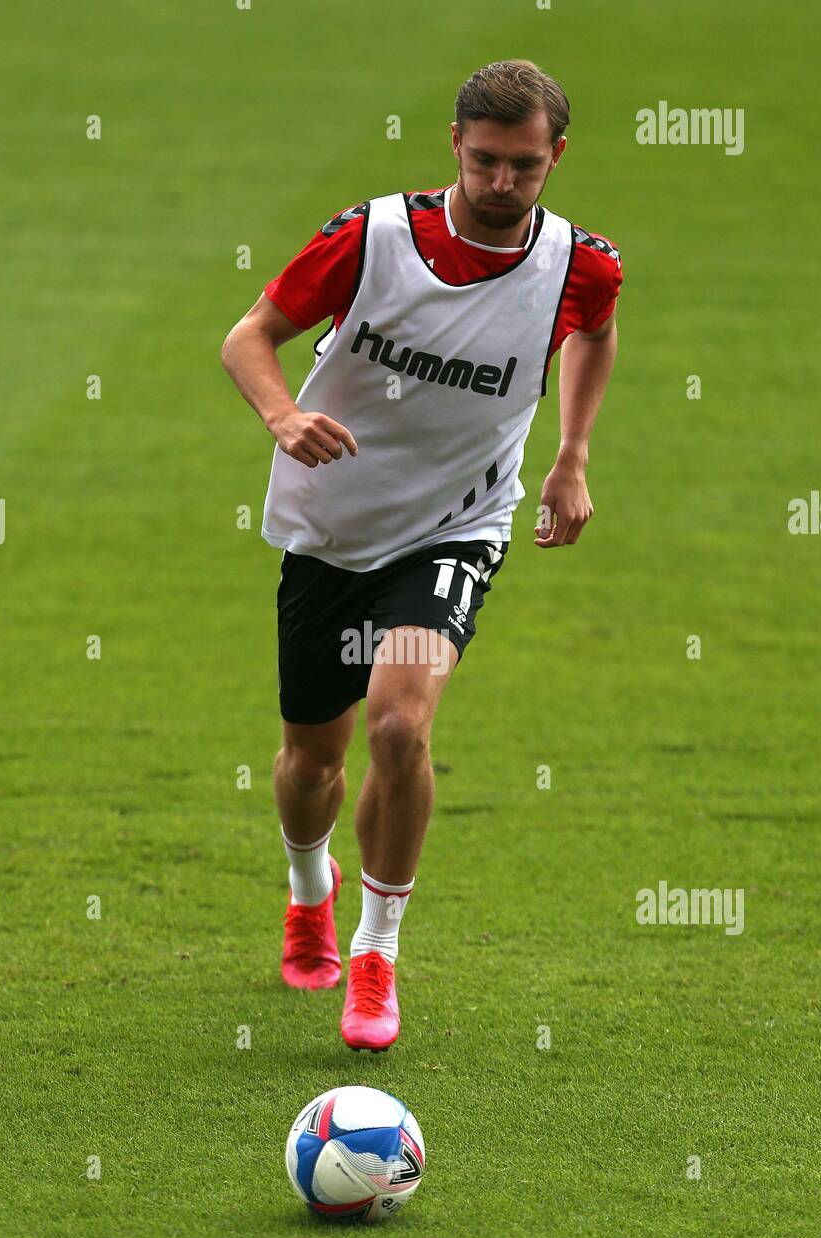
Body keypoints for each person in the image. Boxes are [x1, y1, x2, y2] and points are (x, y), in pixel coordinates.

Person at [221, 59, 621, 1051]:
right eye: (483, 161)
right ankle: (307, 890)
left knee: (399, 727)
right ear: (453, 145)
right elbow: (249, 335)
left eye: (522, 166)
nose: (499, 183)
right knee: (311, 761)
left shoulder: (580, 264)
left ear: (553, 158)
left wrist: (569, 456)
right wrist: (282, 415)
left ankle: (376, 950)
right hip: (331, 526)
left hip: (456, 525)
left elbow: (593, 333)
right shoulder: (370, 239)